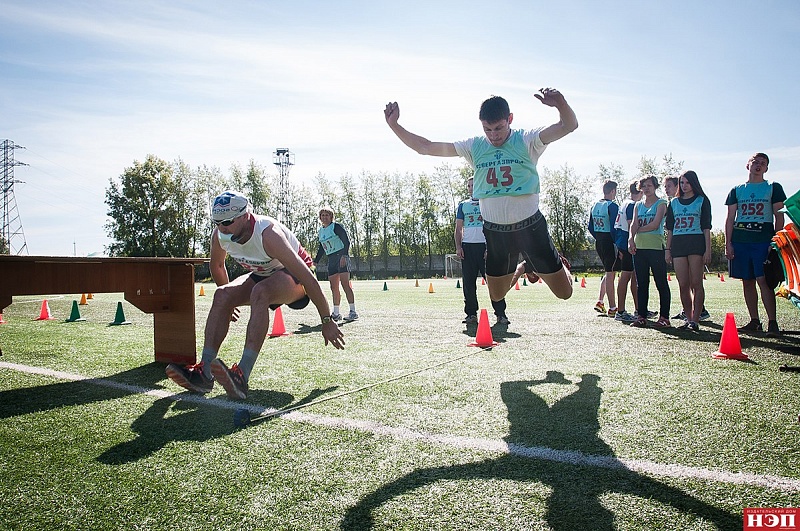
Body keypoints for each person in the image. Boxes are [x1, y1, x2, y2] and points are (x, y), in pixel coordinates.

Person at [384, 88, 577, 307]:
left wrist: (560, 103)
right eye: (488, 129)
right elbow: (426, 147)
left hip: (530, 229)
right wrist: (394, 125)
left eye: (499, 128)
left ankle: (555, 267)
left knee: (565, 293)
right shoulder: (474, 146)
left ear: (510, 119)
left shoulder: (527, 140)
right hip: (496, 232)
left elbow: (568, 126)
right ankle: (523, 267)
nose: (493, 135)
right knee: (496, 295)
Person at [165, 191, 345, 400]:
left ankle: (242, 375)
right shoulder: (219, 235)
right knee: (222, 295)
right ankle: (204, 373)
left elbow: (308, 278)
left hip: (295, 278)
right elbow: (216, 265)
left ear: (245, 215)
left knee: (260, 292)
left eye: (228, 221)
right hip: (263, 273)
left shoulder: (268, 234)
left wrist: (326, 320)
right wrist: (230, 304)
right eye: (217, 222)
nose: (222, 227)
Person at [725, 153, 786, 337]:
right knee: (747, 281)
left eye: (763, 163)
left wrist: (774, 241)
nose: (758, 165)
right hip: (741, 240)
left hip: (762, 241)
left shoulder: (773, 187)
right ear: (748, 165)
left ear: (766, 168)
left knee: (764, 281)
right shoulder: (737, 190)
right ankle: (754, 321)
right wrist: (728, 243)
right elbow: (730, 219)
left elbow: (779, 216)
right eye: (755, 162)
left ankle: (772, 322)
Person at [455, 177, 510, 325]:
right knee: (469, 284)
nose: (471, 188)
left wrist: (491, 247)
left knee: (493, 282)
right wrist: (459, 247)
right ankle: (471, 314)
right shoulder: (463, 205)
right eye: (469, 186)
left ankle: (501, 314)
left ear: (479, 185)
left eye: (473, 185)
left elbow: (494, 226)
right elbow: (459, 228)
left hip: (486, 249)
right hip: (468, 248)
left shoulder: (488, 203)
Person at [665, 171, 712, 332]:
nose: (684, 186)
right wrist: (667, 250)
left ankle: (696, 320)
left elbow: (706, 228)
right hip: (678, 245)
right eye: (682, 183)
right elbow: (669, 229)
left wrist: (708, 250)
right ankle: (688, 317)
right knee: (683, 284)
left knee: (696, 283)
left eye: (687, 182)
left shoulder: (702, 200)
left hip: (696, 244)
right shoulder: (673, 203)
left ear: (694, 183)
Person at [628, 175, 671, 328]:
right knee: (642, 284)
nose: (647, 188)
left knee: (661, 282)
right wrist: (631, 239)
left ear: (655, 186)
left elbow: (655, 224)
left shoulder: (662, 203)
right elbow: (633, 223)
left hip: (656, 247)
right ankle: (641, 316)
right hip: (640, 248)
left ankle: (664, 317)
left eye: (649, 185)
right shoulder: (638, 205)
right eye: (644, 186)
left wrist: (638, 229)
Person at [312, 207, 359, 322]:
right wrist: (315, 261)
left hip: (341, 257)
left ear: (331, 217)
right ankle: (336, 313)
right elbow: (322, 248)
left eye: (327, 215)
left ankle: (353, 312)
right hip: (331, 259)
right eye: (322, 215)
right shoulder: (321, 231)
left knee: (345, 285)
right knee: (334, 287)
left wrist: (344, 256)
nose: (324, 217)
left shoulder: (336, 227)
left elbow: (346, 241)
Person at [588, 180, 620, 317]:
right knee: (611, 274)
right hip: (609, 242)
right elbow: (615, 227)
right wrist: (617, 243)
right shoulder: (612, 206)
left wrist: (599, 237)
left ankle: (600, 301)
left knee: (608, 272)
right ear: (612, 191)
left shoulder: (595, 205)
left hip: (599, 241)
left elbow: (590, 227)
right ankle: (613, 307)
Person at [612, 181, 642, 322]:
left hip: (623, 242)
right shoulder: (631, 205)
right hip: (628, 243)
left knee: (634, 277)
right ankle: (621, 311)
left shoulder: (625, 203)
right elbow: (631, 225)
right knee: (626, 276)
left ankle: (639, 309)